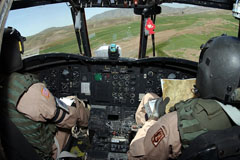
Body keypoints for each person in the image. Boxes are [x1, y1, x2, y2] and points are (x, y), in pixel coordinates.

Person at [128, 35, 240, 160]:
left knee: (149, 110)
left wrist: (154, 119)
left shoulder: (172, 124)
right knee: (149, 98)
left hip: (163, 136)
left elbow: (135, 156)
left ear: (207, 76)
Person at [0, 27, 90, 159]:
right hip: (45, 151)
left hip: (17, 152)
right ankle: (87, 129)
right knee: (74, 104)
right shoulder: (25, 89)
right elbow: (68, 119)